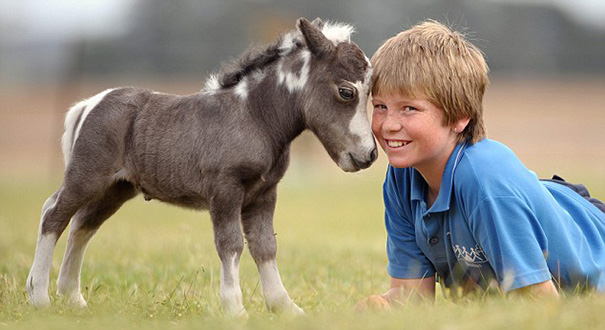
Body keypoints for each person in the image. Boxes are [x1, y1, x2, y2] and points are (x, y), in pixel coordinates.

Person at [358, 20, 605, 309]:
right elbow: (412, 299)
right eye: (380, 106)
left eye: (409, 108)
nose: (388, 124)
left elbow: (542, 308)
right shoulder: (402, 177)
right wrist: (376, 309)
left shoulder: (484, 179)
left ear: (459, 116)